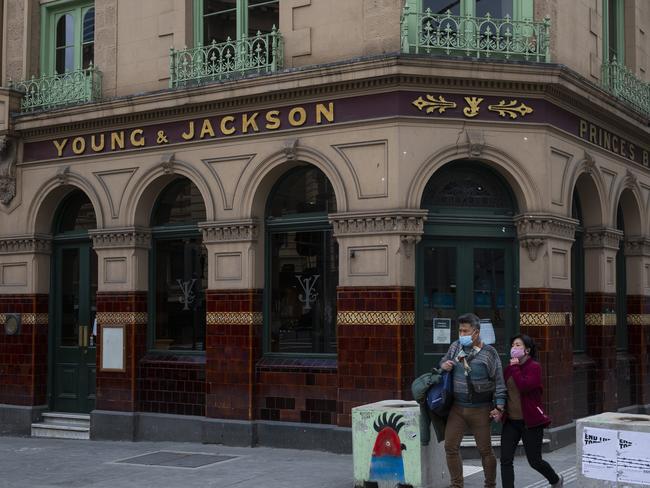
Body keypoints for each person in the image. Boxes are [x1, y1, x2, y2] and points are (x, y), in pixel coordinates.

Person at [440, 313, 506, 488]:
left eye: (465, 331)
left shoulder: (489, 353)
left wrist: (499, 407)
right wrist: (444, 365)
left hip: (481, 408)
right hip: (457, 408)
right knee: (450, 447)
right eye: (460, 331)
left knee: (485, 450)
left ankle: (490, 484)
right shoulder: (455, 347)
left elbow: (499, 382)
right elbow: (444, 361)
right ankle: (456, 485)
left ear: (476, 332)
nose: (461, 335)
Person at [500, 334, 563, 488]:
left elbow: (524, 386)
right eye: (513, 345)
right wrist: (499, 408)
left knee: (535, 461)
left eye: (518, 345)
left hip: (531, 423)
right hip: (511, 422)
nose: (514, 348)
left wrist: (515, 367)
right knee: (505, 460)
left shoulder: (534, 367)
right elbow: (503, 390)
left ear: (527, 350)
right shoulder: (508, 369)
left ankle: (555, 480)